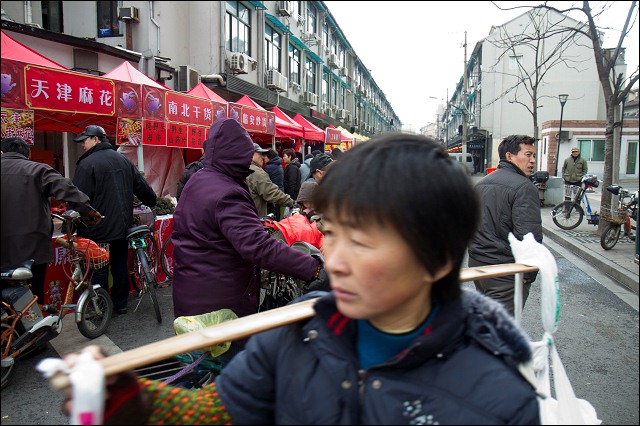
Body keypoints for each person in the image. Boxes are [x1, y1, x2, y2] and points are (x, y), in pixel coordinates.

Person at [62, 133, 539, 425]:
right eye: (331, 233)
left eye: (365, 241)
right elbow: (217, 415)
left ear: (437, 260)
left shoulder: (499, 396)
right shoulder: (295, 337)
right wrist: (128, 401)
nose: (337, 260)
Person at [170, 118, 325, 363]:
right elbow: (258, 248)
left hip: (193, 295)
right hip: (220, 306)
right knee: (231, 375)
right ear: (240, 154)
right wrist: (313, 268)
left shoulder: (200, 179)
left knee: (199, 368)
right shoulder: (227, 191)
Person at [1, 137, 102, 305]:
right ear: (28, 154)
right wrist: (88, 211)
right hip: (32, 249)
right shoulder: (38, 170)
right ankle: (34, 329)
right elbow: (66, 189)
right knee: (33, 297)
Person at [72, 125, 157, 315]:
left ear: (96, 139)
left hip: (96, 228)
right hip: (121, 226)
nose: (82, 146)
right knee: (119, 264)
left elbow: (78, 198)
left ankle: (100, 308)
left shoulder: (87, 164)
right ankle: (121, 303)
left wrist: (74, 217)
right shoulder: (123, 160)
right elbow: (143, 188)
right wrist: (151, 201)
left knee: (99, 267)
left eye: (84, 141)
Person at [468, 134, 542, 316]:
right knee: (502, 332)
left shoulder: (481, 184)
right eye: (528, 154)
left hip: (479, 267)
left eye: (534, 156)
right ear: (509, 156)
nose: (532, 160)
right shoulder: (524, 187)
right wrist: (529, 273)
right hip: (506, 271)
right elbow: (529, 236)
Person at [246, 143, 295, 217]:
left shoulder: (240, 169)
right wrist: (291, 202)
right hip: (254, 217)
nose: (263, 157)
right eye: (260, 153)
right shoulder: (256, 172)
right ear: (251, 154)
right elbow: (271, 192)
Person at [263, 148, 285, 220]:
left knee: (272, 216)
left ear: (269, 157)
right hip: (279, 192)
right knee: (277, 214)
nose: (263, 158)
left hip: (273, 194)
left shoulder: (269, 167)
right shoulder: (278, 165)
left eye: (265, 156)